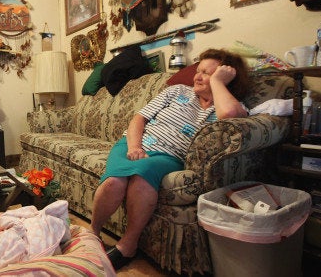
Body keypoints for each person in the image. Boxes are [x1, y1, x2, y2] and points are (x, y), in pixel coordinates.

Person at [90, 48, 249, 270]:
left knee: (143, 177)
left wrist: (219, 85)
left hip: (167, 156)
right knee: (114, 182)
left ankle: (128, 245)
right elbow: (139, 119)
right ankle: (93, 233)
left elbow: (231, 116)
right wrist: (134, 146)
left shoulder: (225, 105)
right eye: (198, 70)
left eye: (207, 73)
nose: (198, 76)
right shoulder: (176, 92)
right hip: (132, 144)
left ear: (225, 79)